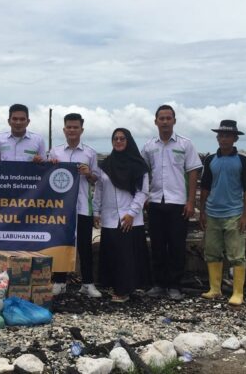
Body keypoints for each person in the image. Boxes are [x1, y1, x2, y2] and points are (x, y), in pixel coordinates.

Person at [141, 105, 202, 300]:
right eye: (162, 118)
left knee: (176, 245)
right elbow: (142, 173)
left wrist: (191, 201)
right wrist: (144, 197)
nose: (165, 121)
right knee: (157, 245)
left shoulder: (185, 144)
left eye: (169, 118)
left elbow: (193, 172)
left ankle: (175, 285)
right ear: (155, 121)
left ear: (174, 121)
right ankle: (159, 284)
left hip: (178, 203)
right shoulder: (149, 146)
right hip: (156, 202)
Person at [199, 120, 246, 307]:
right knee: (212, 251)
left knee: (236, 254)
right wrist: (202, 211)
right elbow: (205, 186)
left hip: (234, 213)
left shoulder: (243, 160)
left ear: (235, 138)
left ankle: (238, 292)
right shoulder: (210, 159)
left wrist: (245, 215)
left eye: (227, 135)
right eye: (220, 135)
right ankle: (215, 289)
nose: (223, 139)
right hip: (212, 213)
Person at [93, 128, 150, 302]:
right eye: (115, 139)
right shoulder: (106, 165)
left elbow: (143, 192)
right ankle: (117, 286)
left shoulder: (138, 165)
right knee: (113, 254)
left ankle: (124, 290)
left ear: (129, 141)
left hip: (129, 217)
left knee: (127, 255)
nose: (118, 141)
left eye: (122, 139)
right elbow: (99, 189)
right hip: (110, 217)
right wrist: (96, 211)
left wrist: (132, 213)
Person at [48, 113, 101, 297]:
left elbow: (97, 180)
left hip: (83, 207)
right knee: (61, 245)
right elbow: (47, 178)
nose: (72, 130)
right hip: (60, 209)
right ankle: (59, 281)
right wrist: (51, 165)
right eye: (69, 127)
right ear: (64, 129)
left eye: (75, 127)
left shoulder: (90, 153)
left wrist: (88, 173)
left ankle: (87, 283)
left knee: (85, 246)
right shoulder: (55, 152)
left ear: (81, 130)